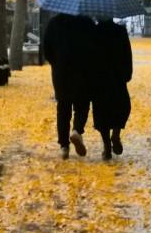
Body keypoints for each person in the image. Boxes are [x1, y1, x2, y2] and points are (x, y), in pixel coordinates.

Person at [43, 13, 96, 159]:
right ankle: (77, 130)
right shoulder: (87, 21)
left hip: (61, 72)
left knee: (63, 108)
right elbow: (95, 47)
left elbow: (46, 49)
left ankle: (64, 146)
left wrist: (56, 62)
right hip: (83, 71)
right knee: (82, 105)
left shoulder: (54, 22)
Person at [92, 18, 132, 160]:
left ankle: (106, 145)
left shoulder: (94, 31)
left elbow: (89, 56)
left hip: (99, 78)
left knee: (101, 111)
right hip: (118, 77)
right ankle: (116, 134)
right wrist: (128, 74)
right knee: (121, 107)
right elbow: (128, 54)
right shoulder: (120, 31)